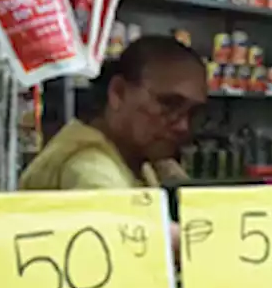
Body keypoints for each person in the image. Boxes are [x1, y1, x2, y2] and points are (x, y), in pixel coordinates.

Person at [20, 35, 207, 192]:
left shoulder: (133, 158)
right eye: (169, 104)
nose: (183, 126)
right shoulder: (90, 169)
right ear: (118, 92)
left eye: (193, 112)